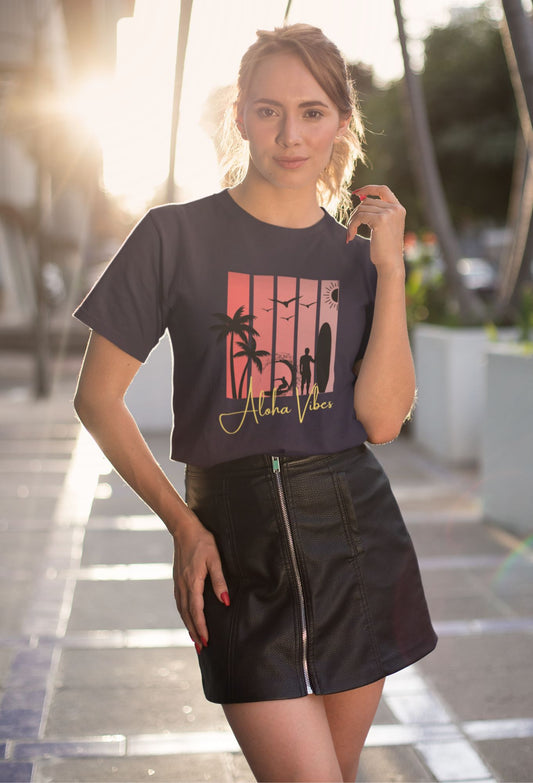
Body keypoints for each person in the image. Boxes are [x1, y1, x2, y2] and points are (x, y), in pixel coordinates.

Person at [73, 23, 437, 783]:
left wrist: (389, 271)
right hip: (235, 547)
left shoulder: (353, 259)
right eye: (268, 109)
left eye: (311, 111)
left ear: (340, 123)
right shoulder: (174, 236)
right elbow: (97, 398)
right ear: (239, 114)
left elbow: (378, 419)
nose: (290, 133)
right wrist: (183, 525)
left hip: (353, 538)